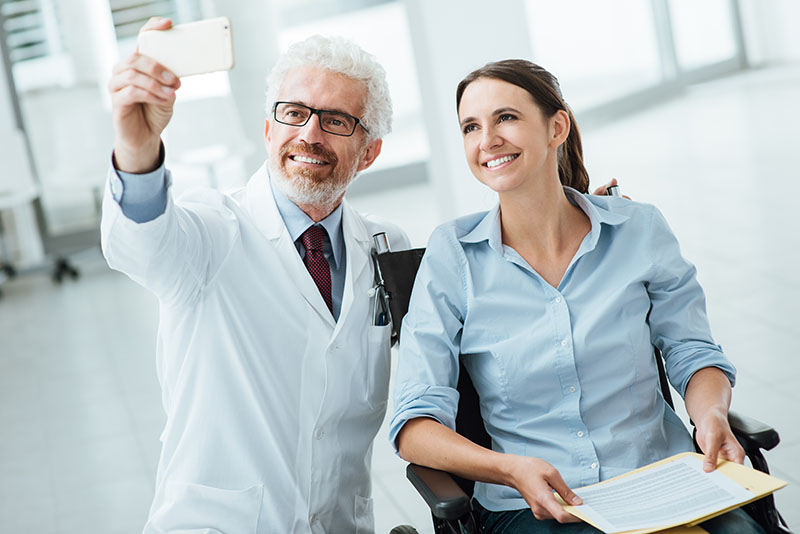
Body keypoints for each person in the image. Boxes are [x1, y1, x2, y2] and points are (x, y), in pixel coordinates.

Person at [389, 59, 763, 534]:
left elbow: (692, 352)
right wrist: (509, 469)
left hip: (665, 481)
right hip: (534, 507)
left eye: (506, 117)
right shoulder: (453, 256)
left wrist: (709, 414)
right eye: (470, 126)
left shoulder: (639, 229)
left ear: (556, 127)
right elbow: (414, 427)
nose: (487, 140)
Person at [102, 17, 411, 533]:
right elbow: (143, 245)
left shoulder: (386, 248)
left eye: (336, 120)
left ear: (370, 152)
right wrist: (137, 151)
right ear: (270, 130)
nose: (309, 134)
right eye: (294, 113)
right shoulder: (213, 232)